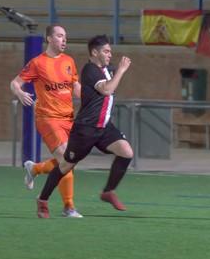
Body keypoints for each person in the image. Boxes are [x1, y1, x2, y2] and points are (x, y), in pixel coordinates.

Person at [33, 35, 134, 219]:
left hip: (104, 127)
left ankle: (108, 192)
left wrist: (116, 71)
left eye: (110, 51)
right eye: (106, 51)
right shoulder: (90, 70)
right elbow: (106, 90)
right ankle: (42, 199)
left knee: (126, 152)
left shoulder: (105, 70)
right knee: (65, 166)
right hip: (86, 129)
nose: (110, 54)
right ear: (94, 53)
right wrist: (121, 70)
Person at [10, 24, 82, 218]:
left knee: (70, 160)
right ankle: (68, 207)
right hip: (48, 118)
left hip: (69, 119)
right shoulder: (38, 63)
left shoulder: (69, 61)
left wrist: (93, 97)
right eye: (59, 36)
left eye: (65, 36)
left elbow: (76, 86)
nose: (64, 39)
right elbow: (15, 83)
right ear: (49, 39)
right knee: (67, 159)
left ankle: (35, 168)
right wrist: (20, 93)